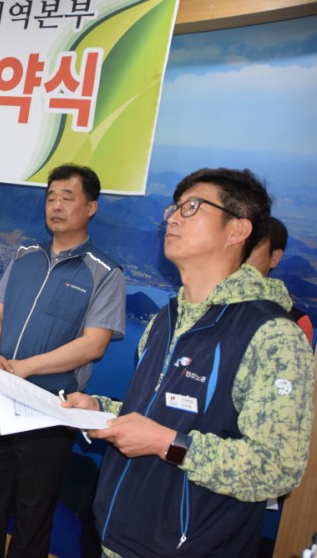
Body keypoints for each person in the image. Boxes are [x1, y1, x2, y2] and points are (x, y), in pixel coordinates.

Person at [63, 168, 314, 557]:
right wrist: (100, 409)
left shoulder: (273, 335)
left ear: (237, 230)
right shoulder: (167, 318)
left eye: (193, 207)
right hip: (117, 537)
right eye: (175, 207)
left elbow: (277, 469)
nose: (173, 218)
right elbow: (155, 414)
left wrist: (169, 444)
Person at [0, 164, 126, 558]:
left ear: (90, 207)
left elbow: (94, 345)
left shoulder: (105, 272)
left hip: (51, 405)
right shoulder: (25, 256)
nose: (56, 205)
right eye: (50, 197)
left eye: (67, 198)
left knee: (34, 506)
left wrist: (28, 367)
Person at [246, 216, 313, 346]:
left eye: (250, 247)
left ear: (274, 257)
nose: (238, 255)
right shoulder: (209, 301)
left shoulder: (297, 323)